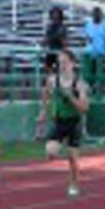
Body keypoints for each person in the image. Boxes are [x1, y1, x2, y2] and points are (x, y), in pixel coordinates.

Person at [37, 49, 89, 197]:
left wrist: (71, 97)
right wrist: (43, 112)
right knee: (50, 152)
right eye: (60, 63)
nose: (62, 65)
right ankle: (59, 148)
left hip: (74, 123)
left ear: (73, 63)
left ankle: (74, 184)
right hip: (59, 121)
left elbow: (85, 108)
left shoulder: (79, 84)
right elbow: (46, 94)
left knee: (72, 159)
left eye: (65, 62)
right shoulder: (53, 80)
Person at [84, 6, 105, 92]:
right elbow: (87, 37)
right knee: (90, 72)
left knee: (99, 73)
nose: (96, 15)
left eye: (98, 14)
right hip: (90, 52)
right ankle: (91, 90)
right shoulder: (88, 24)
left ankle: (99, 91)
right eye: (94, 14)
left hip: (101, 52)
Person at [43, 6, 68, 71]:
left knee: (60, 68)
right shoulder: (49, 27)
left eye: (57, 15)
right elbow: (46, 40)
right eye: (53, 15)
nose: (55, 17)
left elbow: (64, 41)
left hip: (59, 52)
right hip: (51, 51)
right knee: (48, 66)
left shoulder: (62, 28)